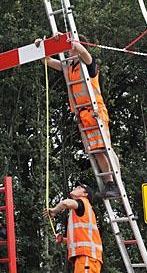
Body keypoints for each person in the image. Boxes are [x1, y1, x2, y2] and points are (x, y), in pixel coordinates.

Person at [36, 34, 120, 198]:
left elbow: (83, 51)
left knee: (105, 149)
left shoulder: (88, 64)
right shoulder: (69, 67)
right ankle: (109, 183)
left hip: (96, 112)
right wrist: (42, 47)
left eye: (69, 49)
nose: (68, 52)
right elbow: (48, 61)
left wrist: (67, 39)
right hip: (84, 116)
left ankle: (115, 183)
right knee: (96, 152)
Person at [44, 184, 103, 273]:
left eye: (80, 188)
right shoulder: (80, 211)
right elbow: (79, 240)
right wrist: (62, 240)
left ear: (85, 194)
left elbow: (65, 203)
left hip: (87, 256)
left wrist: (54, 211)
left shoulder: (83, 202)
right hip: (86, 257)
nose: (76, 188)